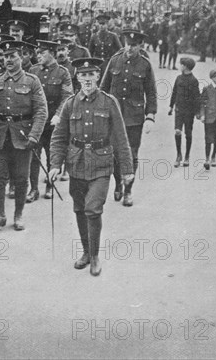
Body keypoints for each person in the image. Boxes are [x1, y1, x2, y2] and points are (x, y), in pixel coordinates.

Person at [49, 58, 134, 276]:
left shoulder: (108, 102)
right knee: (79, 208)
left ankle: (95, 255)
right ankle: (86, 251)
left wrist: (126, 169)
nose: (87, 79)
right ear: (77, 78)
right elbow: (59, 136)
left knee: (93, 208)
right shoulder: (70, 103)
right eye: (83, 75)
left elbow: (121, 137)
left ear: (98, 76)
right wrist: (55, 164)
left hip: (101, 164)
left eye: (91, 74)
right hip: (76, 163)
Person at [0, 40, 48, 233]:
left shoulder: (32, 81)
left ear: (22, 57)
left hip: (23, 136)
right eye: (5, 56)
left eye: (13, 56)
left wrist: (34, 136)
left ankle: (18, 215)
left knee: (21, 178)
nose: (9, 60)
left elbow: (41, 111)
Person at [100, 30, 157, 207]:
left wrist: (150, 116)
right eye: (127, 44)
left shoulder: (145, 65)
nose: (129, 48)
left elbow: (151, 93)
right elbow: (104, 87)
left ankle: (128, 190)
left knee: (131, 154)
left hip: (134, 118)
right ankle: (118, 182)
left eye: (134, 45)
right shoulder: (114, 60)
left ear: (140, 46)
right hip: (114, 116)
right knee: (115, 154)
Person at [26, 40, 73, 202]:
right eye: (37, 53)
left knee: (52, 155)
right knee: (33, 155)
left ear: (52, 53)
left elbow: (67, 96)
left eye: (42, 53)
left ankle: (49, 187)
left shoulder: (63, 73)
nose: (38, 56)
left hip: (53, 121)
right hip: (37, 121)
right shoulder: (33, 71)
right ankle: (33, 189)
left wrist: (59, 115)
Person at [168, 57, 201, 167]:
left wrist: (197, 112)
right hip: (179, 109)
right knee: (177, 131)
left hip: (189, 111)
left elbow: (197, 97)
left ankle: (187, 156)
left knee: (188, 133)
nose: (180, 66)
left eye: (181, 64)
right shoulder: (178, 78)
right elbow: (174, 92)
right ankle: (179, 154)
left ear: (185, 66)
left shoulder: (193, 80)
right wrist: (170, 106)